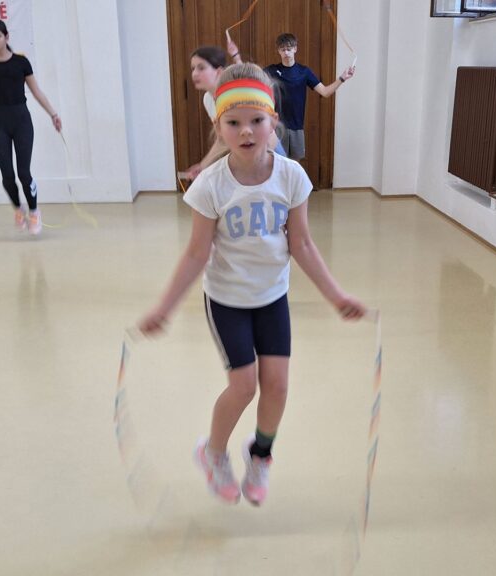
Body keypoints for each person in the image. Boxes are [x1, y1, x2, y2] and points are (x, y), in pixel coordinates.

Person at [139, 63, 366, 506]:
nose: (246, 131)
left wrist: (336, 296)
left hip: (272, 297)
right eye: (234, 122)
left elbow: (301, 244)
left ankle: (260, 455)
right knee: (244, 385)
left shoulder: (291, 176)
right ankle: (212, 453)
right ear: (218, 127)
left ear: (273, 121)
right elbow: (196, 254)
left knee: (277, 385)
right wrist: (164, 308)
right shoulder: (210, 186)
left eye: (256, 120)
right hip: (226, 299)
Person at [0, 18, 61, 235]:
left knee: (24, 173)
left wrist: (53, 114)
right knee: (7, 175)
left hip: (21, 121)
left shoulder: (21, 63)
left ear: (6, 37)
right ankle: (18, 208)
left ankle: (34, 211)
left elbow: (36, 91)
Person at [184, 44, 285, 181]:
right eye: (193, 68)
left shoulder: (237, 93)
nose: (195, 73)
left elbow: (268, 139)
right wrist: (203, 166)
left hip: (270, 152)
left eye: (201, 68)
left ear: (219, 71)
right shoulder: (208, 99)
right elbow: (221, 140)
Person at [264, 33, 355, 162]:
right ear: (279, 51)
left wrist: (342, 78)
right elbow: (254, 78)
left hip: (297, 127)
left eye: (289, 49)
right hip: (278, 127)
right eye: (283, 50)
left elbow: (325, 92)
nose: (286, 53)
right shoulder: (272, 70)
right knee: (276, 163)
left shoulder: (304, 72)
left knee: (295, 165)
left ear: (295, 49)